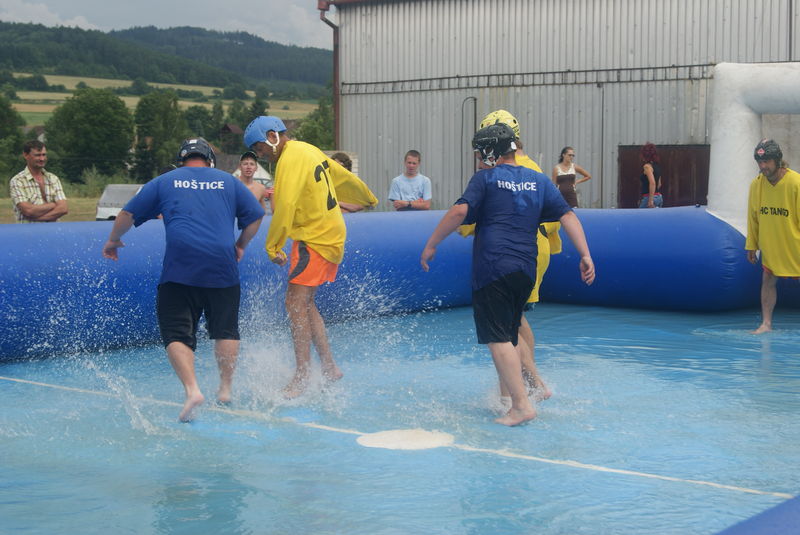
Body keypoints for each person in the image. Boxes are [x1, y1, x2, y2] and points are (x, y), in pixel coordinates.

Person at [421, 124, 595, 426]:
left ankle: (521, 406)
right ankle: (529, 390)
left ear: (490, 152)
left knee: (497, 338)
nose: (477, 159)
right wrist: (585, 254)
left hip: (494, 268)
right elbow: (568, 215)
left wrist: (431, 244)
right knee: (511, 332)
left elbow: (459, 212)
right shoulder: (538, 180)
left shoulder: (485, 179)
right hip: (525, 270)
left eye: (479, 153)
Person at [102, 138, 264, 422]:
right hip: (222, 264)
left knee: (176, 332)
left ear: (181, 160)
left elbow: (127, 213)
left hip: (181, 266)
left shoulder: (165, 181)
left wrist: (114, 240)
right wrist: (240, 245)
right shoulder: (229, 181)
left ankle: (192, 390)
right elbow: (256, 216)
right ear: (210, 160)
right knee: (226, 328)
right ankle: (225, 389)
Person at [243, 116, 378, 398]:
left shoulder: (289, 160)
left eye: (259, 147)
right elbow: (340, 175)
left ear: (272, 136)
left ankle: (302, 375)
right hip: (330, 233)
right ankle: (329, 366)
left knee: (294, 302)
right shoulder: (307, 149)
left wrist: (273, 246)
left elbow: (286, 204)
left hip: (313, 238)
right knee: (306, 303)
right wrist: (367, 196)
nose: (260, 154)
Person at [473, 109, 561, 403]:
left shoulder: (499, 171)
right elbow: (555, 215)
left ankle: (530, 384)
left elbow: (477, 216)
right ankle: (518, 386)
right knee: (518, 318)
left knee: (508, 324)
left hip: (513, 252)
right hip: (536, 249)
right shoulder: (532, 166)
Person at [745, 138, 800, 334]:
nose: (763, 166)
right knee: (767, 280)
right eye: (760, 162)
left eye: (767, 161)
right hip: (772, 244)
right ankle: (766, 324)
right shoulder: (757, 185)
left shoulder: (796, 183)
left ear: (777, 160)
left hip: (795, 244)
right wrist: (751, 244)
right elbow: (753, 217)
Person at [9, 140, 68, 223]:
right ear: (25, 155)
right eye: (37, 155)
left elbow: (63, 208)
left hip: (53, 230)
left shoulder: (53, 179)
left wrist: (38, 218)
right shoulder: (17, 181)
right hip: (28, 231)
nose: (42, 159)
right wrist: (53, 205)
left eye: (44, 155)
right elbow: (28, 211)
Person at [639, 142, 663, 208]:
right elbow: (659, 184)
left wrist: (650, 200)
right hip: (659, 197)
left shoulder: (647, 167)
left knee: (640, 214)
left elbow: (652, 183)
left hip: (649, 197)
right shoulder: (657, 166)